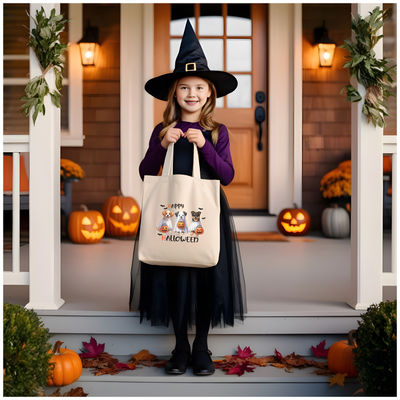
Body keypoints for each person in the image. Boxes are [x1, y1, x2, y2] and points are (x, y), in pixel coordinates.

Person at [130, 20, 246, 376]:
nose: (192, 94)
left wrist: (206, 147)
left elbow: (226, 175)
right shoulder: (163, 131)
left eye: (199, 87)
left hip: (207, 213)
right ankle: (180, 345)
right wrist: (164, 143)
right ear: (174, 94)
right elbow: (146, 173)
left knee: (207, 278)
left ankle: (202, 347)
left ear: (210, 93)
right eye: (184, 87)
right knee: (175, 276)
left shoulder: (217, 131)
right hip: (169, 213)